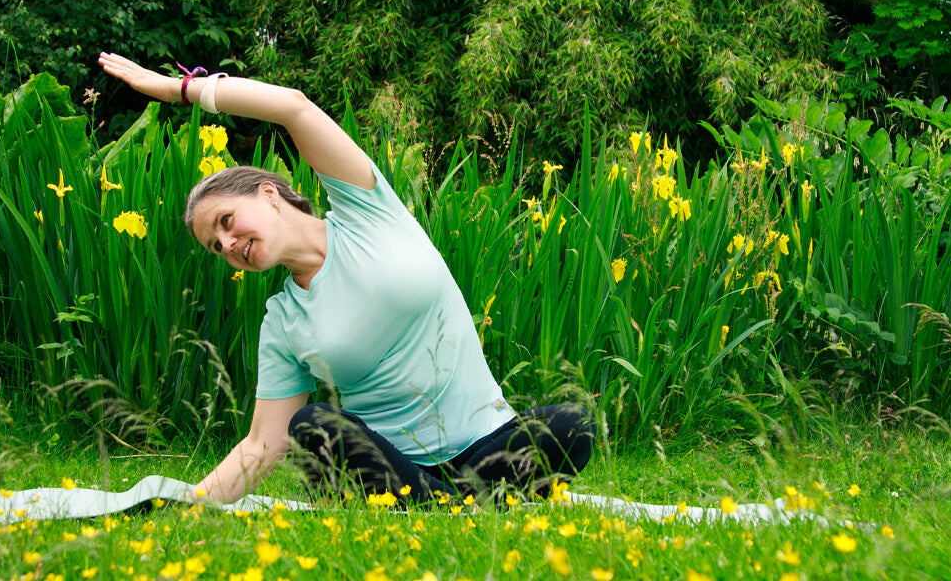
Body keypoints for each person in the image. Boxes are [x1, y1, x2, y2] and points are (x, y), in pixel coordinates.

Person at [97, 52, 594, 507]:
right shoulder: (283, 321)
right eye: (215, 246)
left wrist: (178, 90)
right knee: (312, 426)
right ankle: (458, 506)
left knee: (574, 425)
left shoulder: (366, 210)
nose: (226, 246)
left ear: (269, 194)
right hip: (389, 468)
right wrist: (187, 504)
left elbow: (293, 107)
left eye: (226, 222)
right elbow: (263, 444)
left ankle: (444, 506)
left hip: (488, 445)